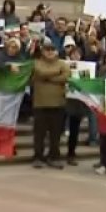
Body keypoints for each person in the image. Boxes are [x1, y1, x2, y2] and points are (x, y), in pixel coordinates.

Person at [30, 39, 69, 169]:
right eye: (47, 50)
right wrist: (56, 74)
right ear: (42, 52)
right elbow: (39, 72)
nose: (50, 52)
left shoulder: (63, 63)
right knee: (39, 133)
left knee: (55, 134)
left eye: (53, 50)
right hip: (40, 103)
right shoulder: (36, 63)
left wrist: (46, 79)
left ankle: (54, 156)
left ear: (57, 52)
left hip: (58, 103)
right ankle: (38, 156)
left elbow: (66, 76)